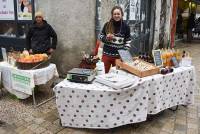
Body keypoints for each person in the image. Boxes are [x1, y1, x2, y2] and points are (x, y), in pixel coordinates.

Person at [99, 6, 131, 73]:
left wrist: (124, 53)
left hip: (118, 57)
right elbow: (100, 36)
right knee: (104, 74)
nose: (116, 15)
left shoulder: (126, 27)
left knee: (117, 75)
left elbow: (128, 41)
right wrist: (106, 38)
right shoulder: (107, 25)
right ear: (112, 15)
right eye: (115, 14)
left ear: (122, 14)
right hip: (106, 55)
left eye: (118, 14)